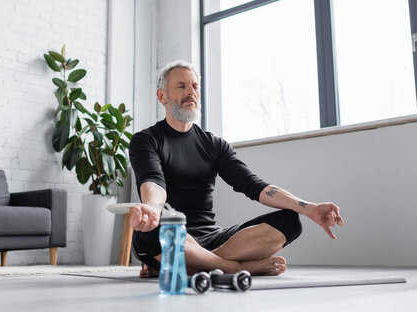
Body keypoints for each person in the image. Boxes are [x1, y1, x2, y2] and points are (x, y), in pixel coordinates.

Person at [129, 60, 344, 277]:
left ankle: (192, 265)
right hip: (173, 231)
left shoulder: (214, 144)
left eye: (194, 86)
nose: (191, 92)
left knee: (290, 221)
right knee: (152, 230)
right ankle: (234, 267)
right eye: (181, 86)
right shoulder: (146, 140)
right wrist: (153, 209)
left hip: (213, 239)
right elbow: (153, 181)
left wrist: (309, 208)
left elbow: (253, 185)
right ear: (162, 96)